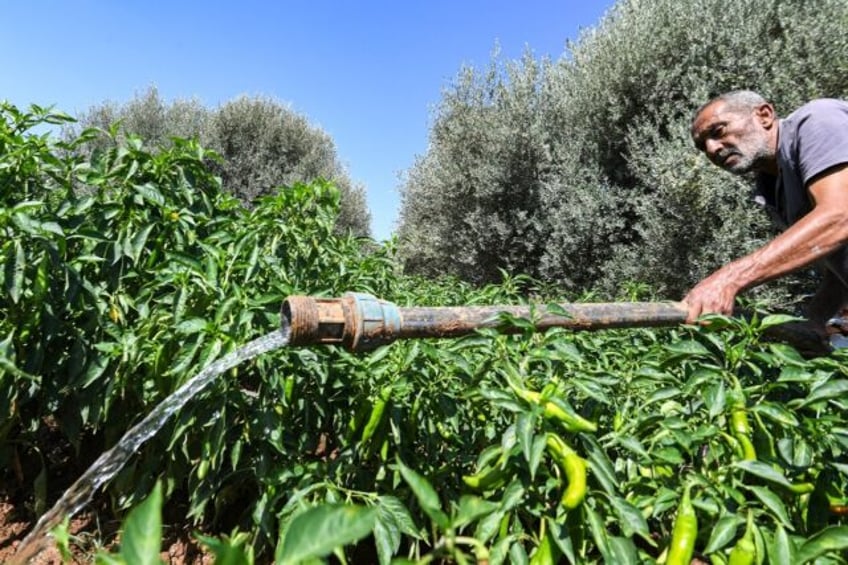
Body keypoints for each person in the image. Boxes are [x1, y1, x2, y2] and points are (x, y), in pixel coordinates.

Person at [685, 90, 848, 338]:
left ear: (764, 115)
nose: (711, 149)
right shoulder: (770, 188)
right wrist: (814, 319)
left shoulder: (818, 120)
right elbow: (837, 262)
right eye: (702, 146)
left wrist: (730, 278)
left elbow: (840, 215)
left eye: (718, 131)